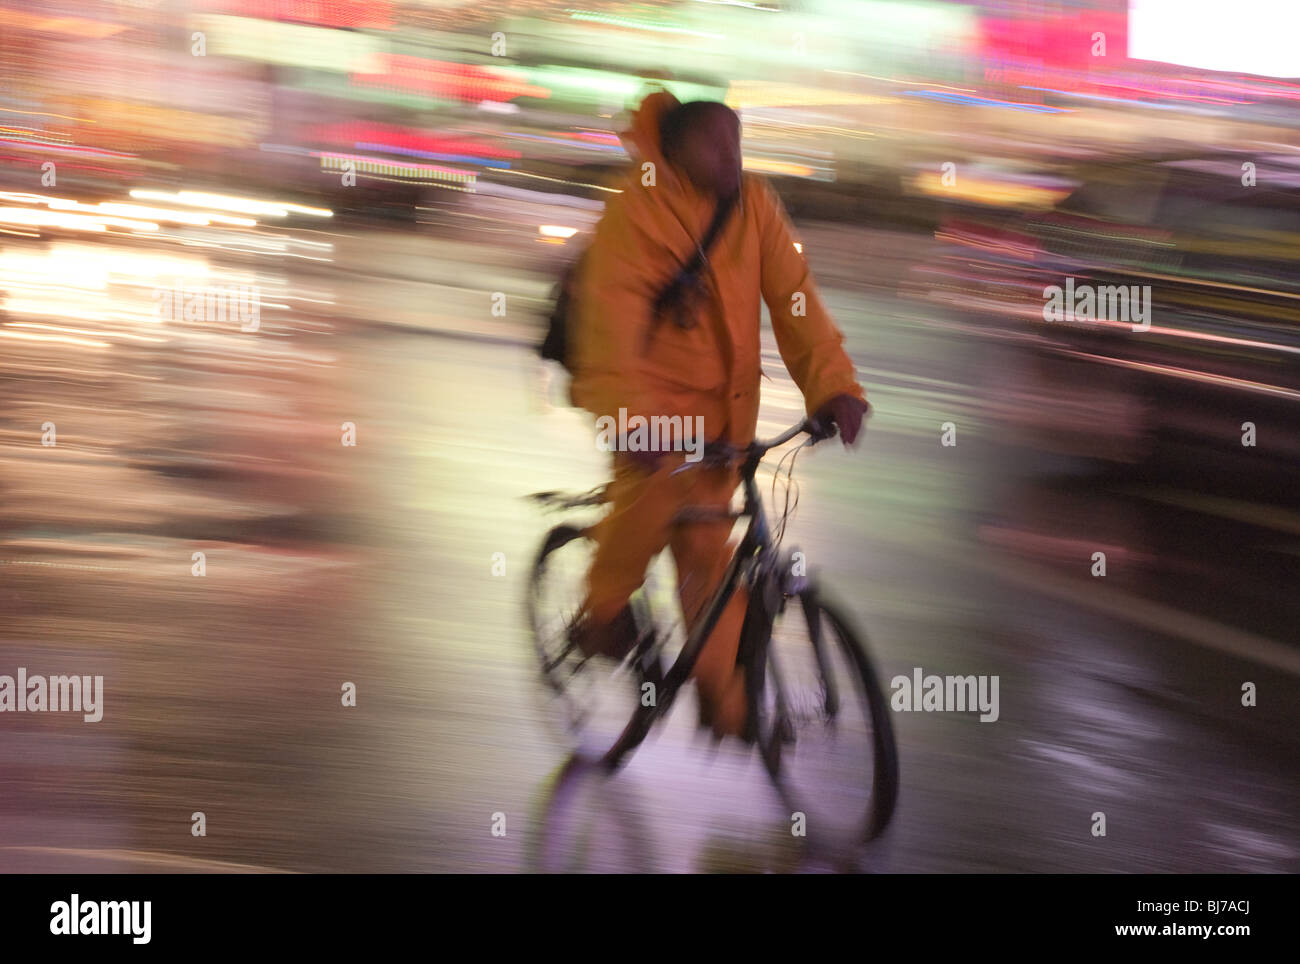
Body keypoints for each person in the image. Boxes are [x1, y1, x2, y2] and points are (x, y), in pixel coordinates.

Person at [567, 91, 869, 740]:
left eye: (737, 140)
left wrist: (833, 387)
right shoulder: (637, 211)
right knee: (645, 512)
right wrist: (629, 417)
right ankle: (600, 614)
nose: (731, 155)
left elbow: (795, 302)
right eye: (713, 144)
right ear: (675, 152)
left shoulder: (753, 204)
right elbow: (610, 325)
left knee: (709, 557)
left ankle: (730, 706)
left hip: (722, 427)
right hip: (650, 419)